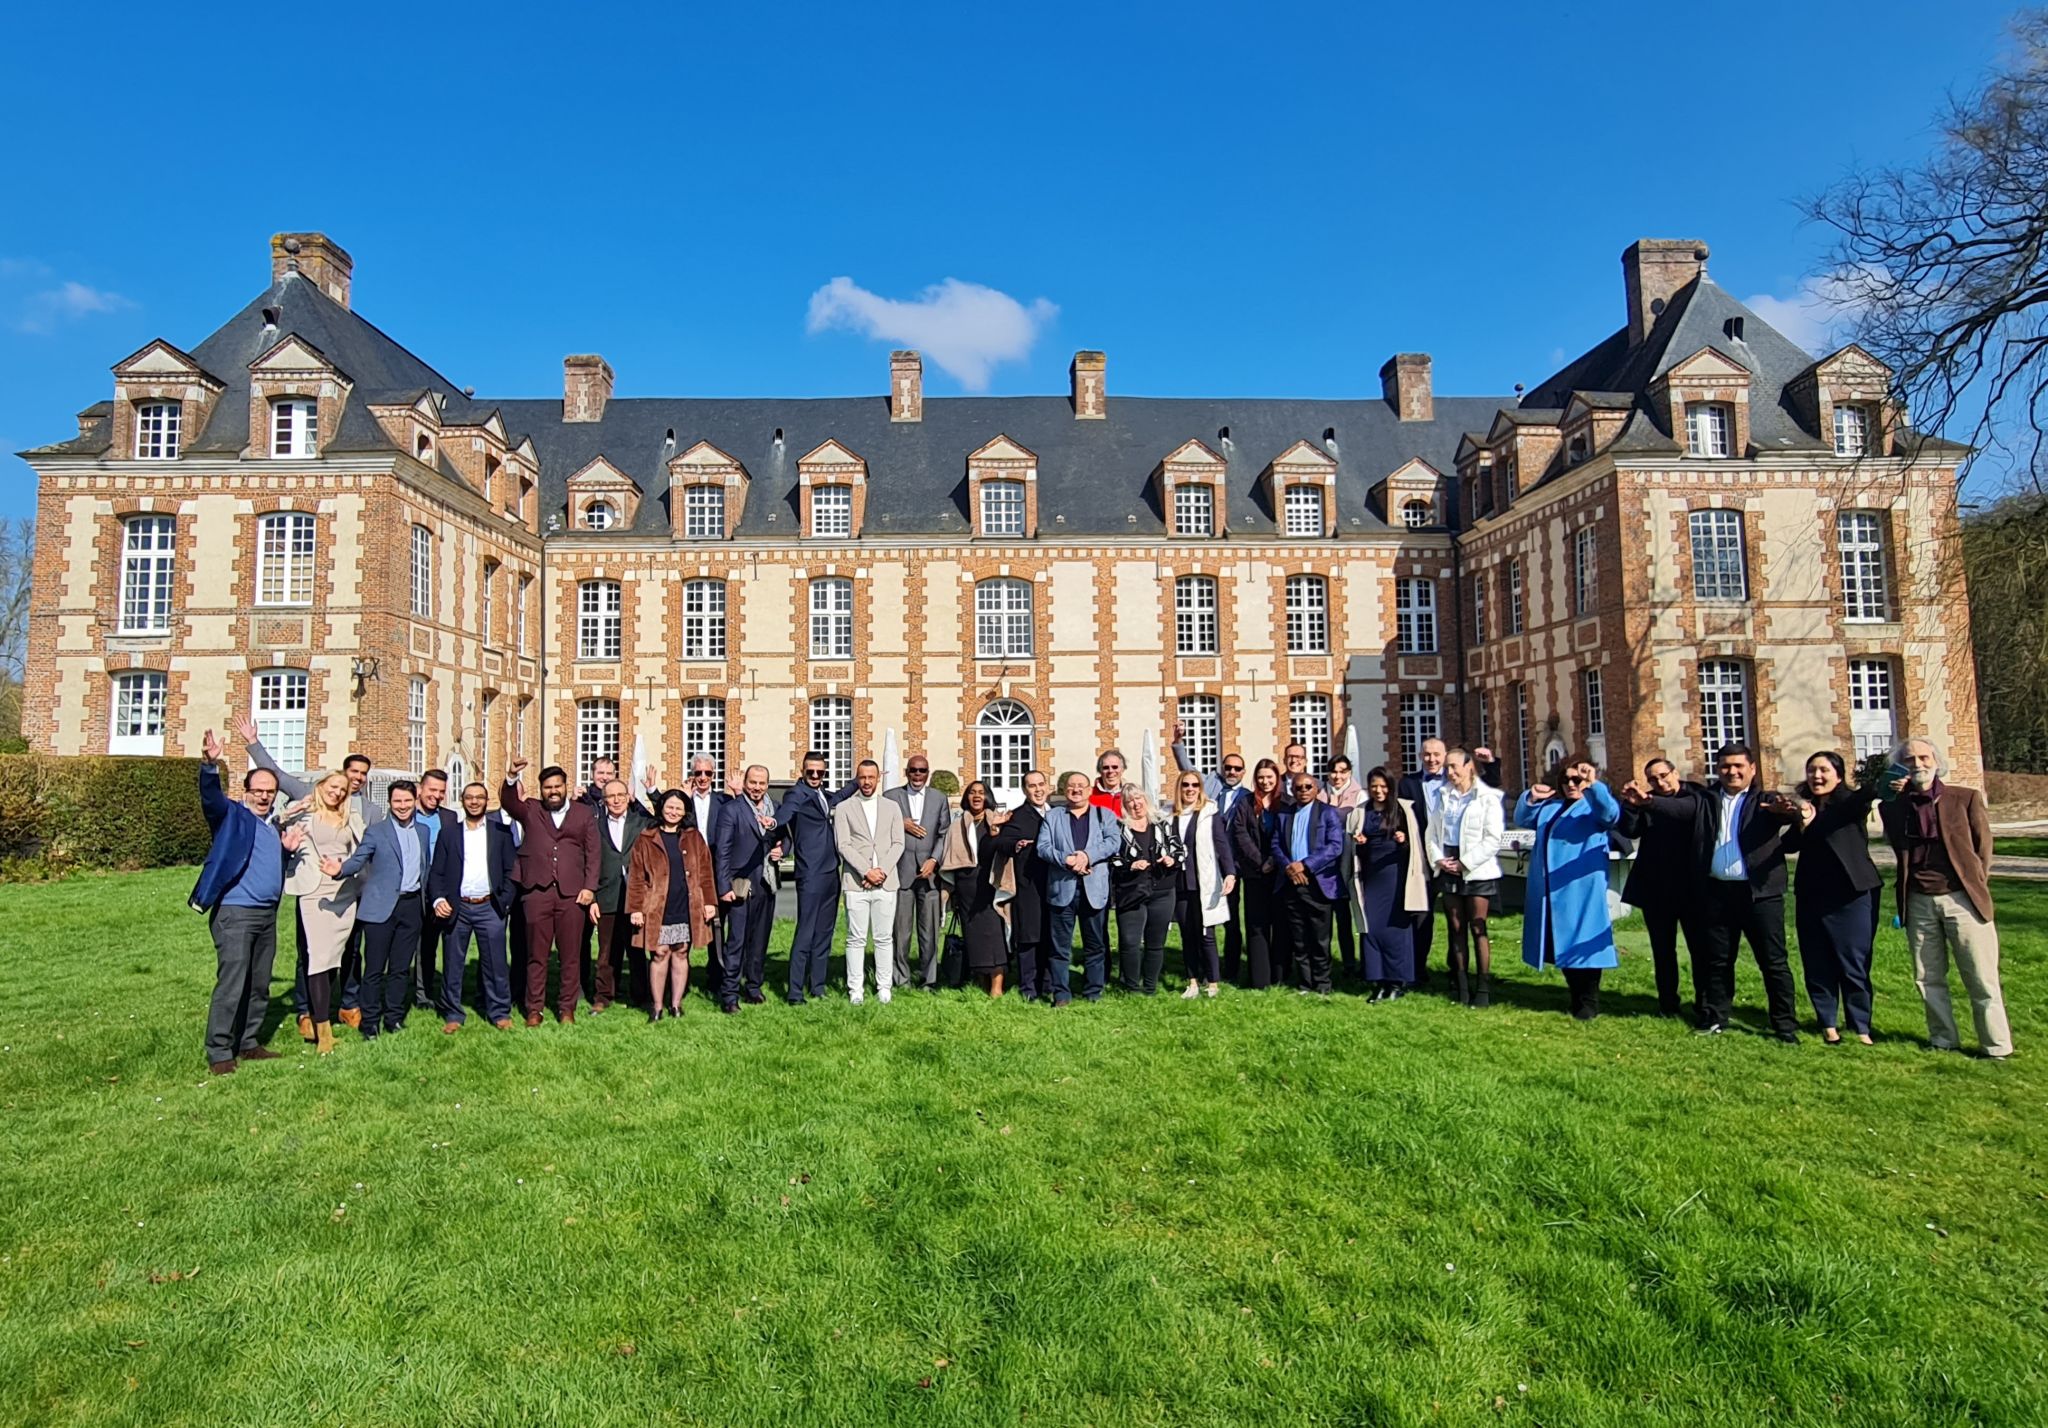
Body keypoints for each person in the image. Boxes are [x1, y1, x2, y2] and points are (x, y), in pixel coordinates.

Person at [1622, 742, 1802, 1041]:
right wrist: (1648, 802)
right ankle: (1715, 1017)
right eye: (1725, 766)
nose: (1732, 772)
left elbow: (1787, 813)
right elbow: (1678, 807)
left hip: (1759, 894)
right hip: (1717, 893)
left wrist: (1790, 812)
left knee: (1773, 962)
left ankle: (1784, 1025)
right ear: (1717, 770)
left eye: (1738, 766)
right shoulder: (1706, 799)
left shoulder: (1764, 800)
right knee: (1717, 961)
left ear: (1752, 769)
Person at [235, 717, 381, 1028]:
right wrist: (253, 744)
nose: (356, 778)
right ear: (341, 773)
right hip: (313, 888)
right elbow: (277, 775)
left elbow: (371, 850)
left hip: (349, 889)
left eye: (362, 774)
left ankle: (348, 1003)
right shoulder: (309, 795)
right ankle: (306, 1010)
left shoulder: (370, 810)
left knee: (351, 950)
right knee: (310, 951)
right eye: (352, 772)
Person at [1878, 737, 2013, 1058]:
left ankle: (1996, 1045)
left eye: (1924, 758)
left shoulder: (1964, 798)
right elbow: (1896, 843)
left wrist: (1975, 882)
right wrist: (1893, 794)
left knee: (1981, 977)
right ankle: (1943, 1039)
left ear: (1936, 761)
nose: (1918, 764)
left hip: (1962, 899)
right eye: (1909, 760)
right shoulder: (1892, 807)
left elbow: (1983, 848)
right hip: (1918, 900)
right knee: (1928, 977)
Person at [191, 728, 301, 1073]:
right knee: (233, 983)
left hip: (267, 915)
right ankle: (220, 1051)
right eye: (258, 791)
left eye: (270, 792)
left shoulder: (272, 826)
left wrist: (286, 852)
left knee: (258, 983)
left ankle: (249, 1042)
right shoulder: (232, 816)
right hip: (236, 914)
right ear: (246, 792)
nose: (264, 797)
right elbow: (211, 799)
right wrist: (210, 765)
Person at [1516, 759, 1622, 1020]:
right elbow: (1523, 818)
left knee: (1584, 946)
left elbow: (1611, 814)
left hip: (1580, 889)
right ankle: (1576, 996)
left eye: (1578, 780)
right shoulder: (1551, 808)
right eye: (1566, 780)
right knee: (1559, 944)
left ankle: (1588, 1002)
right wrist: (1531, 797)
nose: (1571, 784)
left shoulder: (1593, 807)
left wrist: (1594, 785)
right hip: (1549, 888)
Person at [1789, 752, 1884, 1045]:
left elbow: (1862, 798)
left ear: (1839, 775)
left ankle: (1861, 1025)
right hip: (1812, 894)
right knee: (1817, 961)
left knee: (1853, 962)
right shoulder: (1805, 809)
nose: (1816, 776)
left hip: (1851, 894)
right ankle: (1828, 1023)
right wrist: (1798, 820)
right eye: (1811, 770)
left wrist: (1885, 777)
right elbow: (1788, 844)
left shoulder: (1849, 803)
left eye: (1823, 770)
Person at [330, 780, 434, 1040]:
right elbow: (358, 859)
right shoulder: (376, 832)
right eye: (397, 801)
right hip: (380, 908)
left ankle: (394, 1017)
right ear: (389, 803)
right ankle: (370, 1022)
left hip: (412, 906)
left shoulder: (423, 831)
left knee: (400, 968)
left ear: (415, 800)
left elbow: (426, 868)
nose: (402, 806)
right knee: (374, 969)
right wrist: (340, 870)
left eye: (407, 801)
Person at [501, 759, 600, 1026]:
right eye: (548, 787)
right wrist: (511, 777)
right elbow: (509, 803)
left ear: (566, 786)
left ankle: (566, 1008)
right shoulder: (531, 809)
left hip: (572, 894)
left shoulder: (583, 813)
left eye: (557, 786)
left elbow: (593, 853)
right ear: (541, 789)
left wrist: (590, 887)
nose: (553, 791)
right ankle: (534, 1008)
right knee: (536, 954)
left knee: (570, 956)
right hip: (537, 892)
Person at [1615, 757, 1708, 1018]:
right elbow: (1630, 831)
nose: (1660, 782)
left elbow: (1683, 811)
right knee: (1663, 950)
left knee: (1701, 949)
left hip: (1692, 888)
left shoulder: (1696, 795)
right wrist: (1630, 805)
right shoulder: (1646, 801)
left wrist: (1648, 802)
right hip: (1656, 887)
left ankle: (1704, 1004)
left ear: (1675, 772)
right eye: (1653, 779)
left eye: (1663, 775)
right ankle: (1668, 1004)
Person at [768, 751, 858, 1005]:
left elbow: (839, 796)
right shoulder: (796, 794)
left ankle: (817, 986)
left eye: (820, 772)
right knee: (806, 932)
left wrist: (858, 779)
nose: (816, 776)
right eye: (811, 772)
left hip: (830, 871)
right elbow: (786, 813)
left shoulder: (822, 795)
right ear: (803, 771)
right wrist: (773, 823)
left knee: (825, 933)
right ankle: (795, 992)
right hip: (810, 872)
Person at [428, 781, 518, 1032]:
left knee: (496, 963)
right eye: (469, 797)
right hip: (458, 908)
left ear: (487, 801)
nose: (474, 801)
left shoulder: (500, 832)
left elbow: (511, 871)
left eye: (479, 797)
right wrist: (438, 900)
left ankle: (499, 1012)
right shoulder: (449, 833)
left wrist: (505, 901)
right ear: (462, 800)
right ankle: (453, 1013)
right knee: (452, 963)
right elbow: (437, 873)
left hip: (490, 906)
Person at [283, 770, 360, 1053]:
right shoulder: (303, 812)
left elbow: (363, 850)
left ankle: (321, 1017)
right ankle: (323, 1030)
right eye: (333, 786)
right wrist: (291, 812)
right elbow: (274, 825)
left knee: (333, 959)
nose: (337, 792)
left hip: (344, 893)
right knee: (317, 958)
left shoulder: (350, 817)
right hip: (315, 893)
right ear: (321, 785)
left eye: (342, 789)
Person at [1424, 747, 1506, 1007]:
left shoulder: (1487, 798)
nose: (1449, 772)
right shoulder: (1443, 796)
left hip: (1477, 869)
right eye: (1447, 767)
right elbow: (1432, 833)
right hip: (1449, 865)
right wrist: (1439, 859)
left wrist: (1466, 863)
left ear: (1469, 767)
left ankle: (1483, 987)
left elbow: (1492, 839)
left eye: (1454, 767)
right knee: (1455, 927)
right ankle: (1461, 987)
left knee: (1477, 927)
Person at [626, 790, 718, 1021]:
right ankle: (657, 1007)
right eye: (669, 807)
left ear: (685, 812)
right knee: (659, 953)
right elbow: (636, 876)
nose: (673, 812)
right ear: (661, 808)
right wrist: (635, 908)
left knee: (681, 951)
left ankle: (676, 1005)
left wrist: (709, 902)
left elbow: (706, 872)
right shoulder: (646, 838)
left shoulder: (694, 837)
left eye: (678, 808)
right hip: (656, 906)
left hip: (686, 905)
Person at [1339, 767, 1428, 1001]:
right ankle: (1378, 980)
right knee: (1371, 928)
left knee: (1395, 929)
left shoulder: (1402, 809)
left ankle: (1397, 981)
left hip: (1395, 876)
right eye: (1374, 786)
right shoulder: (1361, 812)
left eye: (1383, 786)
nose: (1379, 791)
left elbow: (1415, 846)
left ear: (1390, 787)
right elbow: (1352, 848)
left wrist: (1403, 839)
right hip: (1370, 877)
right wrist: (1359, 842)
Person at [1036, 771, 1123, 1004]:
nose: (1076, 790)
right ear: (1065, 790)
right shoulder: (1053, 816)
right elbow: (1043, 847)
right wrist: (1067, 860)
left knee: (1095, 945)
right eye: (1071, 786)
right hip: (1062, 889)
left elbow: (1113, 842)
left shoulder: (1104, 815)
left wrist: (1086, 856)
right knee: (1059, 947)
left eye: (1080, 786)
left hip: (1093, 890)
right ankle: (1061, 994)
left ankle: (1093, 991)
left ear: (1088, 790)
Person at [1171, 723, 1249, 975]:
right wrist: (1178, 743)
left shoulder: (1247, 796)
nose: (1232, 771)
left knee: (1230, 919)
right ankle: (1204, 969)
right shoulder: (1210, 786)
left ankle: (1231, 968)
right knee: (1201, 920)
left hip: (1231, 863)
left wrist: (1231, 869)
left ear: (1243, 772)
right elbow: (1187, 771)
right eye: (1228, 767)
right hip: (1203, 864)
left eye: (1237, 768)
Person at [833, 759, 905, 1004]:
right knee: (856, 938)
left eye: (870, 777)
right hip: (856, 883)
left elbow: (898, 843)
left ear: (878, 778)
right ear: (857, 779)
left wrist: (881, 871)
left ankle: (884, 987)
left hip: (886, 882)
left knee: (884, 938)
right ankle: (855, 989)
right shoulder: (844, 808)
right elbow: (843, 845)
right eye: (862, 777)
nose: (866, 782)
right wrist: (866, 871)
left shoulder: (892, 807)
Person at [713, 765, 780, 1012]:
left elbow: (786, 836)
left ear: (767, 785)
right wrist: (723, 887)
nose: (757, 788)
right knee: (736, 941)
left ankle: (753, 987)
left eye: (762, 783)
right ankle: (729, 995)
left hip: (766, 883)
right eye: (752, 782)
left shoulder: (775, 808)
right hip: (740, 884)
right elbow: (722, 851)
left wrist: (782, 849)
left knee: (759, 940)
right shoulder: (731, 810)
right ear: (745, 783)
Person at [1272, 770, 1345, 995]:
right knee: (1299, 937)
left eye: (1308, 787)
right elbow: (1276, 844)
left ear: (1316, 789)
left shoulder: (1327, 813)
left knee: (1319, 938)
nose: (1303, 791)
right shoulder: (1285, 814)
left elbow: (1335, 846)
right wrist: (1289, 867)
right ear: (1292, 791)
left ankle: (1322, 984)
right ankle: (1305, 983)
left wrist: (1305, 865)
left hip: (1318, 883)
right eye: (1298, 788)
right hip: (1291, 883)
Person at [886, 754, 954, 990]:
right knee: (900, 932)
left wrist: (934, 860)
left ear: (928, 773)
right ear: (906, 772)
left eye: (922, 770)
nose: (917, 775)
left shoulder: (939, 798)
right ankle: (901, 979)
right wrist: (899, 821)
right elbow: (881, 827)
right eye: (913, 770)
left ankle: (929, 980)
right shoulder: (891, 797)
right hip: (901, 872)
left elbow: (944, 833)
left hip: (929, 875)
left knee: (929, 932)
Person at [941, 779, 1014, 996]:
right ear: (967, 797)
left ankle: (997, 986)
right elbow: (950, 856)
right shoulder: (957, 825)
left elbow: (1001, 851)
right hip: (966, 888)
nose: (976, 796)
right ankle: (981, 980)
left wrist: (996, 831)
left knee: (994, 934)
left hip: (990, 884)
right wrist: (952, 892)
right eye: (972, 792)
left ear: (987, 797)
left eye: (981, 792)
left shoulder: (997, 821)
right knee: (973, 937)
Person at [1168, 770, 1236, 998]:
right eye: (1186, 785)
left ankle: (1213, 982)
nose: (1190, 789)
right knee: (1187, 934)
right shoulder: (1169, 815)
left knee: (1206, 933)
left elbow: (1222, 844)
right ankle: (1193, 982)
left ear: (1200, 789)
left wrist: (1229, 873)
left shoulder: (1209, 813)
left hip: (1202, 881)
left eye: (1194, 785)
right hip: (1179, 884)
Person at [1108, 785, 1180, 995]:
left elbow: (1180, 850)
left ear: (1146, 800)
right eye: (1130, 801)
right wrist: (1130, 865)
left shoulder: (1162, 824)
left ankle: (1150, 986)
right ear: (1124, 805)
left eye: (1138, 798)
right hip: (1131, 892)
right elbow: (1111, 858)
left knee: (1155, 942)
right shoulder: (1117, 828)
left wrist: (1171, 859)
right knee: (1130, 942)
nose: (1135, 804)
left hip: (1162, 891)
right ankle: (1132, 987)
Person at [588, 779, 653, 1012]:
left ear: (628, 797)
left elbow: (669, 818)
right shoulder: (594, 825)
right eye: (610, 796)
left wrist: (653, 793)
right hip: (607, 895)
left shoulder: (641, 822)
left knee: (636, 950)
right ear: (603, 800)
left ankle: (641, 995)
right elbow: (588, 862)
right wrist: (592, 898)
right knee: (607, 951)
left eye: (620, 795)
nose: (616, 800)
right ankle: (603, 996)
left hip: (636, 897)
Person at [1228, 759, 1287, 989]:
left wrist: (1273, 860)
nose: (1265, 781)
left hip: (1281, 872)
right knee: (1257, 925)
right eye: (1261, 777)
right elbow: (1240, 833)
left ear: (1276, 778)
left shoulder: (1286, 803)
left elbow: (1287, 833)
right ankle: (1259, 978)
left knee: (1280, 924)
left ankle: (1280, 975)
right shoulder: (1246, 802)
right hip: (1255, 873)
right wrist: (1261, 862)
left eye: (1269, 777)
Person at [1397, 738, 1450, 987]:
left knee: (1457, 918)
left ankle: (1457, 971)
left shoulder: (1455, 780)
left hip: (1452, 857)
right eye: (1427, 754)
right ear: (1420, 756)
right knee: (1421, 916)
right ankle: (1418, 969)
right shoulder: (1407, 784)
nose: (1432, 759)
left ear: (1445, 756)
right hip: (1420, 858)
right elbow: (1400, 818)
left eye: (1436, 754)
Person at [1000, 770, 1055, 1001]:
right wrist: (1017, 845)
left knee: (1051, 936)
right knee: (1029, 937)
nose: (1038, 790)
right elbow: (1003, 842)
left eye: (1041, 784)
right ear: (1025, 790)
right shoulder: (1018, 816)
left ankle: (1049, 984)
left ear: (1048, 786)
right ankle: (1029, 988)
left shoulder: (1057, 813)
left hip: (1055, 884)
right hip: (1029, 884)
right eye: (1032, 786)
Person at [678, 755, 730, 1000]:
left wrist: (737, 794)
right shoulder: (683, 800)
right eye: (698, 773)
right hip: (688, 870)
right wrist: (683, 798)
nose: (702, 778)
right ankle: (681, 979)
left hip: (716, 870)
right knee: (685, 924)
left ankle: (716, 977)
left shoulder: (724, 801)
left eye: (707, 773)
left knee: (717, 925)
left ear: (713, 775)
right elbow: (664, 816)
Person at [410, 768, 460, 1012]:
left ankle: (438, 992)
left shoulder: (450, 817)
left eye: (441, 792)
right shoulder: (407, 813)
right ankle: (419, 992)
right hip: (415, 887)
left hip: (442, 888)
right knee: (420, 944)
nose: (437, 796)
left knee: (439, 943)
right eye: (432, 790)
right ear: (420, 789)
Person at [1322, 756, 1365, 977]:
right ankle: (1324, 964)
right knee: (1325, 919)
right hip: (1325, 865)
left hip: (1349, 863)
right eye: (1333, 771)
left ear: (1349, 772)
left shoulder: (1360, 796)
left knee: (1347, 918)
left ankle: (1350, 964)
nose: (1337, 776)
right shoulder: (1319, 793)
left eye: (1342, 771)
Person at [1089, 750, 1129, 814]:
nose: (1110, 771)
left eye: (1115, 767)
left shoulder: (1131, 794)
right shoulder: (1089, 795)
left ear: (1122, 769)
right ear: (1100, 771)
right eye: (1106, 767)